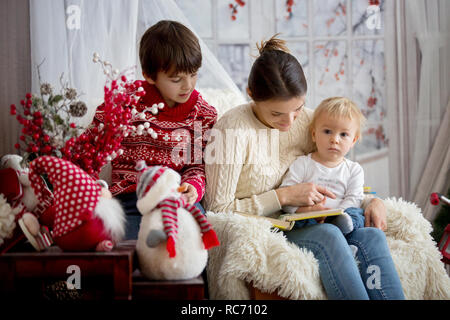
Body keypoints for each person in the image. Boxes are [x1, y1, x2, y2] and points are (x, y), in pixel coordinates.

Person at [204, 35, 405, 299]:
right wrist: (283, 197)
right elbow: (217, 211)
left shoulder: (309, 121)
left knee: (372, 238)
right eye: (276, 114)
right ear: (251, 95)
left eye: (297, 108)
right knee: (329, 237)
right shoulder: (231, 130)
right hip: (269, 228)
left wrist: (371, 201)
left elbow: (333, 171)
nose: (289, 121)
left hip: (315, 217)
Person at [87, 20, 217, 239]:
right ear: (149, 75)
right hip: (131, 200)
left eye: (194, 74)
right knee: (124, 246)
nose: (188, 85)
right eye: (177, 79)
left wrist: (192, 187)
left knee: (192, 241)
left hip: (175, 198)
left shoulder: (201, 113)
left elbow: (196, 166)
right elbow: (91, 149)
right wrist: (94, 188)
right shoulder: (126, 102)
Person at [280, 97, 366, 235]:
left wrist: (336, 215)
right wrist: (307, 211)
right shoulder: (303, 164)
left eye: (343, 134)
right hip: (310, 218)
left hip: (342, 215)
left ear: (353, 141)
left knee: (357, 214)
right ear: (314, 134)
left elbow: (354, 199)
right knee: (295, 220)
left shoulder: (354, 170)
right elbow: (287, 197)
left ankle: (342, 228)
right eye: (327, 132)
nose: (335, 140)